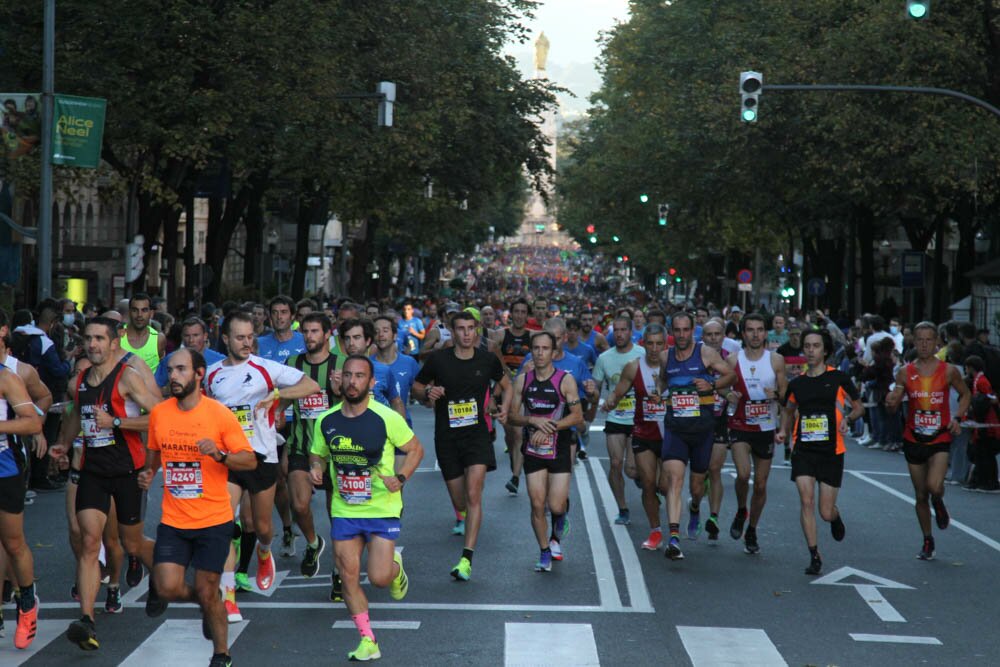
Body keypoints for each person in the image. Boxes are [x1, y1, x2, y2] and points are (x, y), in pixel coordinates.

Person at [140, 348, 257, 667]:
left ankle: (222, 655)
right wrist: (148, 473)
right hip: (174, 521)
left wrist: (220, 455)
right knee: (167, 587)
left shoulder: (218, 414)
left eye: (180, 370)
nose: (173, 376)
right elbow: (154, 450)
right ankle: (209, 604)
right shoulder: (160, 413)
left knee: (207, 588)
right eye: (170, 370)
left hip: (213, 521)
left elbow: (248, 459)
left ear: (199, 374)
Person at [205, 312, 320, 622]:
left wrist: (278, 396)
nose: (246, 342)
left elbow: (310, 385)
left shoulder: (265, 368)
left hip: (262, 456)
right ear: (226, 339)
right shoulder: (211, 374)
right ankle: (228, 596)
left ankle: (265, 552)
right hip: (227, 459)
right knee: (227, 526)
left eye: (250, 337)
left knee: (262, 525)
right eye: (240, 337)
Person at [309, 355, 424, 661]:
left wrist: (401, 478)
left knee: (379, 579)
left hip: (382, 507)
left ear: (371, 383)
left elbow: (416, 449)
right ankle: (367, 639)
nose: (352, 381)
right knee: (347, 575)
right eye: (348, 375)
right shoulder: (326, 420)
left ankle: (395, 568)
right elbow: (317, 453)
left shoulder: (386, 417)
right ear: (340, 380)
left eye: (360, 376)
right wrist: (316, 468)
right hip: (345, 509)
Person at [63, 317, 166, 651]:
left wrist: (118, 421)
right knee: (90, 542)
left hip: (127, 471)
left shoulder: (127, 378)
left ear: (112, 343)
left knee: (132, 544)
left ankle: (163, 579)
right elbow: (77, 415)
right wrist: (62, 445)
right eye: (88, 338)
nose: (92, 344)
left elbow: (161, 416)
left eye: (99, 339)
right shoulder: (81, 379)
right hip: (93, 471)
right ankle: (87, 621)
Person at [413, 311, 511, 581]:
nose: (466, 334)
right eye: (461, 329)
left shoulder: (487, 359)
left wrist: (504, 408)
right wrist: (427, 392)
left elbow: (507, 384)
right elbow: (417, 386)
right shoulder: (439, 360)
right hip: (447, 437)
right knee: (460, 500)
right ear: (452, 332)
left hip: (477, 435)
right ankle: (466, 516)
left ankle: (466, 558)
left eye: (471, 328)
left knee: (473, 494)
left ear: (477, 331)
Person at [885, 321, 971, 561]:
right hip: (913, 438)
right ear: (914, 342)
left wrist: (957, 418)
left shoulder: (949, 371)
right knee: (920, 494)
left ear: (936, 343)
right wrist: (890, 403)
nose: (923, 344)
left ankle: (939, 500)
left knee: (934, 487)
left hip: (940, 437)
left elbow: (966, 394)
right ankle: (927, 539)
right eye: (919, 340)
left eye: (928, 340)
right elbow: (895, 400)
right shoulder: (905, 371)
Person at [781, 329, 863, 575]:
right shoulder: (797, 383)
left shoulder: (839, 378)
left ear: (825, 350)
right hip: (804, 450)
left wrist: (847, 418)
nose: (810, 350)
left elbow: (859, 407)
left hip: (831, 451)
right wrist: (783, 433)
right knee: (806, 500)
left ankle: (835, 517)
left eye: (815, 346)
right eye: (807, 346)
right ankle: (814, 554)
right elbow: (788, 409)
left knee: (825, 512)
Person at [658, 312, 735, 560]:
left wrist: (712, 386)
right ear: (672, 331)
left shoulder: (706, 354)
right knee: (674, 481)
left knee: (696, 486)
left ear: (693, 331)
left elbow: (731, 375)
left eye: (685, 330)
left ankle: (694, 508)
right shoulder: (665, 357)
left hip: (702, 429)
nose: (681, 335)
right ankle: (673, 537)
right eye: (677, 330)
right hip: (675, 428)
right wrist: (659, 393)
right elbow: (662, 381)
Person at [507, 331, 584, 570]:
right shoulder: (523, 380)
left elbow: (577, 417)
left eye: (545, 349)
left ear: (553, 352)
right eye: (536, 348)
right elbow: (512, 416)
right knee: (537, 504)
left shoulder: (565, 380)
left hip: (559, 448)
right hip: (533, 450)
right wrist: (532, 421)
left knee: (556, 505)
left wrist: (550, 427)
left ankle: (558, 526)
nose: (540, 353)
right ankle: (544, 551)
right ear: (531, 350)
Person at [282, 313, 341, 583]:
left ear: (327, 334)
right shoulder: (292, 364)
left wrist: (340, 391)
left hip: (337, 449)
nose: (309, 336)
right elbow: (280, 398)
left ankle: (340, 571)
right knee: (300, 505)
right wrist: (277, 415)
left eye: (315, 331)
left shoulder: (341, 364)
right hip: (300, 445)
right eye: (305, 331)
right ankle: (313, 542)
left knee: (336, 514)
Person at [724, 314, 787, 555]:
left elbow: (785, 395)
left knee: (760, 485)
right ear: (743, 334)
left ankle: (752, 528)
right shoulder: (732, 360)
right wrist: (727, 395)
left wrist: (777, 396)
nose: (755, 334)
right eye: (750, 330)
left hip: (765, 427)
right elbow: (719, 385)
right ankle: (742, 509)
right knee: (742, 475)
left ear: (765, 333)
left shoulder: (776, 360)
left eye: (760, 330)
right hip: (740, 425)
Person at [603, 324, 668, 550]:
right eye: (650, 343)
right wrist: (610, 401)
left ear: (665, 345)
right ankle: (655, 531)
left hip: (670, 433)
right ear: (643, 344)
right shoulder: (633, 367)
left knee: (665, 486)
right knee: (648, 484)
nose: (654, 348)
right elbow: (618, 391)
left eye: (659, 343)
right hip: (643, 431)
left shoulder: (675, 366)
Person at [0, 352, 44, 650]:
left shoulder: (6, 378)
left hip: (4, 469)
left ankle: (26, 605)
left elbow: (33, 424)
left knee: (13, 543)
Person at [592, 316, 644, 525]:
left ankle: (642, 477)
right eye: (617, 330)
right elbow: (595, 387)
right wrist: (590, 393)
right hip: (615, 417)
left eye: (624, 330)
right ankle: (622, 508)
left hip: (639, 417)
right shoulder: (604, 358)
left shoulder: (642, 354)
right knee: (615, 463)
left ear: (631, 332)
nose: (620, 334)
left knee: (631, 470)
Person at [340, 318, 407, 420]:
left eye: (356, 337)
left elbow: (396, 401)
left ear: (368, 341)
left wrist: (401, 431)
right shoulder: (336, 370)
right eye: (347, 338)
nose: (351, 343)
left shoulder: (383, 370)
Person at [498, 299, 532, 493]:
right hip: (506, 390)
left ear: (527, 315)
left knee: (518, 433)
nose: (519, 315)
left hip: (525, 390)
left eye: (523, 312)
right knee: (510, 434)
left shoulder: (533, 336)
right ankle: (514, 456)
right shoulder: (502, 336)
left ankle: (516, 477)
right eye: (516, 311)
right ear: (511, 314)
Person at [154, 317, 226, 394]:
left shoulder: (220, 361)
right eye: (187, 336)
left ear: (205, 336)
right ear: (182, 337)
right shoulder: (171, 359)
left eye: (195, 335)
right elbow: (155, 386)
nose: (191, 340)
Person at [372, 315, 421, 428]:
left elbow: (421, 394)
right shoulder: (366, 365)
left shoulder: (409, 363)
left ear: (395, 335)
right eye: (376, 331)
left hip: (402, 427)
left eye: (385, 330)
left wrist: (429, 393)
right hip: (374, 429)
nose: (381, 335)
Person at [119, 293, 166, 373]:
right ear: (129, 312)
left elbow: (162, 370)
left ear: (151, 313)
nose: (139, 315)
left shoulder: (159, 339)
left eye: (144, 310)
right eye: (135, 310)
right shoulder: (118, 335)